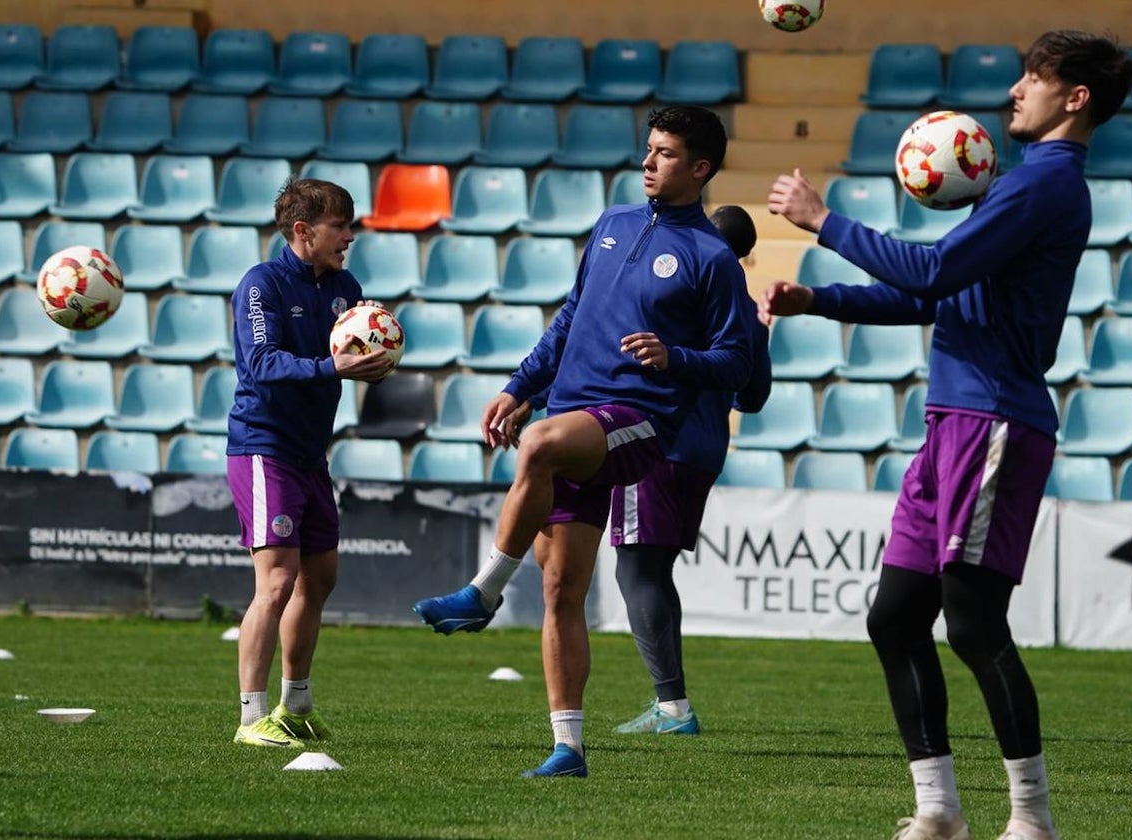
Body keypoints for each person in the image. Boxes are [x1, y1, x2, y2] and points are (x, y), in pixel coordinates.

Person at [759, 31, 1132, 840]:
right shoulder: (1026, 185)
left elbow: (930, 274)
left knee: (972, 625)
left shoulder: (1045, 185)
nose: (1015, 93)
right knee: (895, 619)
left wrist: (824, 221)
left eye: (1034, 79)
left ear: (1075, 98)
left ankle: (1032, 820)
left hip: (995, 422)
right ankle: (939, 812)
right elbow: (940, 298)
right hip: (955, 424)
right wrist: (820, 303)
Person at [414, 105, 758, 778]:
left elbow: (737, 366)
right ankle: (568, 747)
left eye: (664, 153)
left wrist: (675, 357)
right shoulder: (612, 224)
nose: (648, 161)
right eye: (649, 148)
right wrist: (519, 386)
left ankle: (482, 593)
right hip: (575, 410)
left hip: (638, 422)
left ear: (700, 168)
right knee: (562, 589)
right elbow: (570, 319)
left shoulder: (713, 259)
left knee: (537, 445)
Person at [226, 177, 396, 748]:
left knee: (319, 577)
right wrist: (336, 369)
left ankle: (294, 706)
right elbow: (263, 366)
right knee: (275, 582)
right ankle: (252, 720)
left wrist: (376, 356)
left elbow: (353, 351)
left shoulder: (346, 285)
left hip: (309, 453)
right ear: (304, 231)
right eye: (340, 227)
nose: (349, 236)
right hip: (263, 446)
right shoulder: (261, 285)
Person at [610, 204, 772, 736]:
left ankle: (673, 707)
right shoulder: (743, 308)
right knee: (656, 570)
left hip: (655, 442)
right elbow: (753, 398)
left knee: (634, 569)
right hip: (704, 451)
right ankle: (670, 704)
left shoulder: (675, 290)